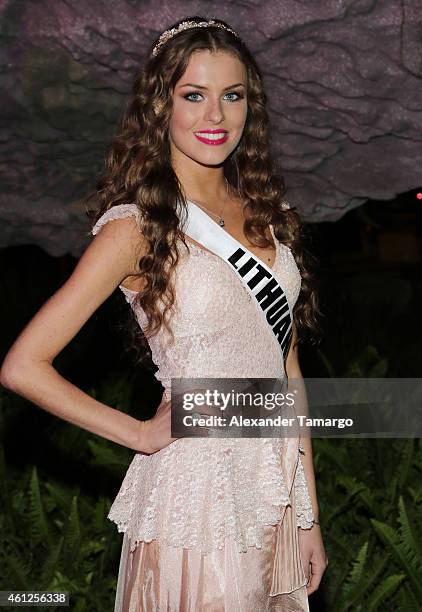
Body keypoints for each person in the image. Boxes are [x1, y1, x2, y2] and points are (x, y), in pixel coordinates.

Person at [0, 15, 328, 612]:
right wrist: (141, 435)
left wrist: (307, 515)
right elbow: (24, 365)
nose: (216, 117)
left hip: (271, 492)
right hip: (198, 500)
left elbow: (287, 374)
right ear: (161, 105)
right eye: (193, 95)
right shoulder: (136, 228)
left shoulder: (268, 214)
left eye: (232, 96)